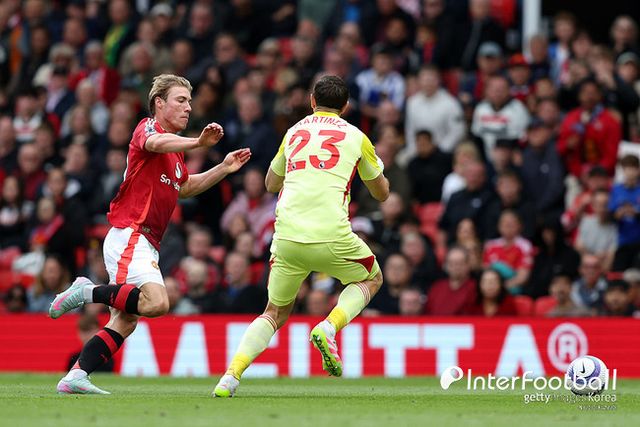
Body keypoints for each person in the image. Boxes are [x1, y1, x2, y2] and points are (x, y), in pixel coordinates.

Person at [48, 74, 252, 394]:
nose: (188, 107)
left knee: (126, 320)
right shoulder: (148, 128)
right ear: (159, 103)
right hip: (131, 233)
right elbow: (155, 143)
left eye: (189, 101)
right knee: (157, 303)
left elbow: (185, 187)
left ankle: (76, 375)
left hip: (145, 241)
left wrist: (223, 168)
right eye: (180, 100)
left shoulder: (175, 153)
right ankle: (87, 291)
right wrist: (198, 143)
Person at [214, 75, 389, 397]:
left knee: (274, 312)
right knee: (372, 278)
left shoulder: (294, 132)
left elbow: (270, 184)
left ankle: (231, 376)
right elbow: (381, 194)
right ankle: (329, 326)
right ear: (346, 106)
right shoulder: (356, 136)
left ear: (312, 101)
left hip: (287, 236)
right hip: (331, 234)